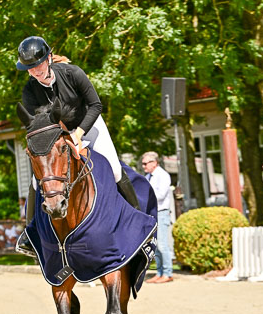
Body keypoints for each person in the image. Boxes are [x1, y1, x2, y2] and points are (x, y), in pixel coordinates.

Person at [14, 36, 139, 254]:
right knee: (37, 181)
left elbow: (95, 105)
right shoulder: (29, 90)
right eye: (30, 68)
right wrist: (63, 137)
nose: (35, 71)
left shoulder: (72, 73)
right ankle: (30, 234)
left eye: (38, 64)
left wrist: (79, 133)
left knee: (115, 169)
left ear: (49, 59)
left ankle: (137, 220)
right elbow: (40, 124)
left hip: (88, 123)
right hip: (59, 133)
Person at [141, 151, 174, 283]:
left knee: (162, 245)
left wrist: (144, 195)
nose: (143, 166)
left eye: (145, 163)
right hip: (152, 214)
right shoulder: (148, 176)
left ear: (154, 163)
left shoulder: (163, 175)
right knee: (155, 245)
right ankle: (160, 272)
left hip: (161, 213)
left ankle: (168, 273)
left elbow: (160, 195)